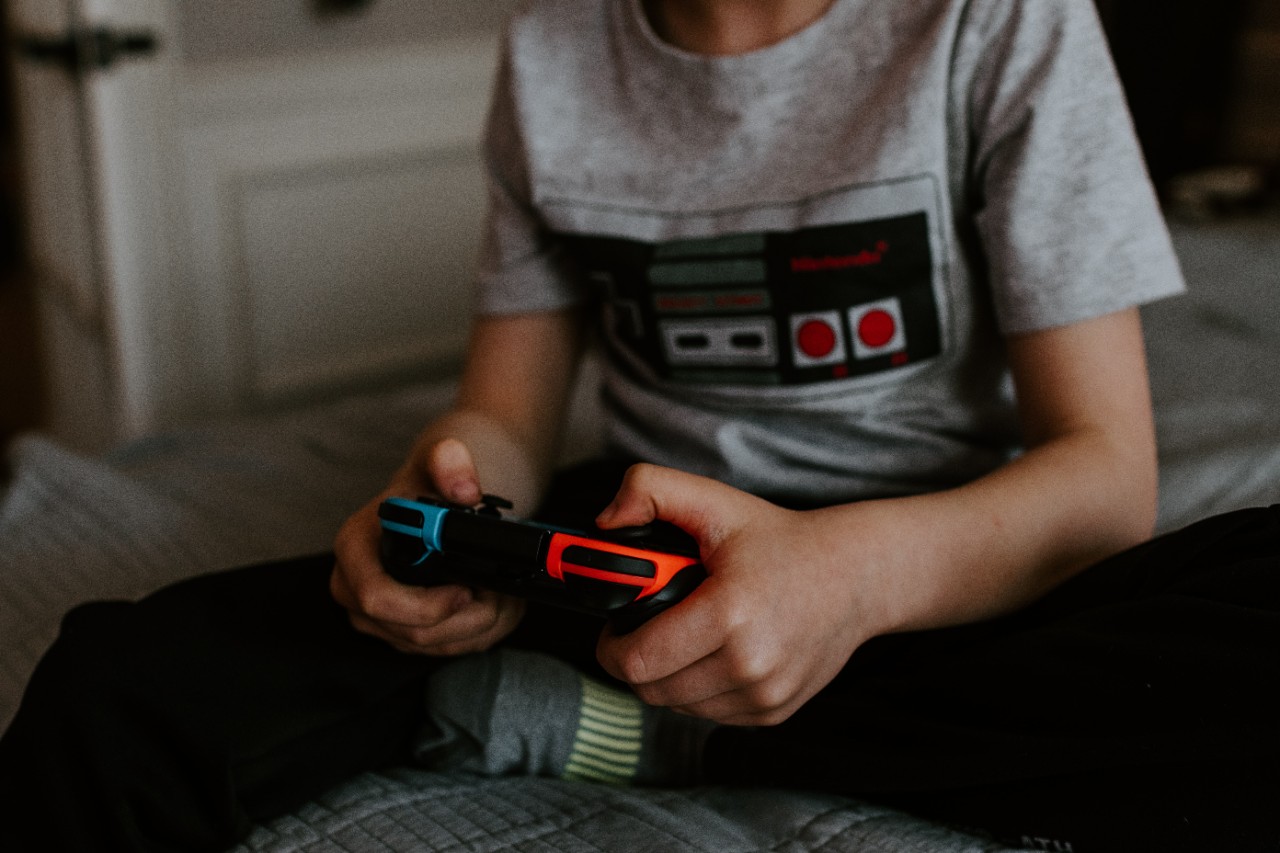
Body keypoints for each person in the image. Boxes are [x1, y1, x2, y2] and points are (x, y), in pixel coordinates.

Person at [2, 0, 1277, 850]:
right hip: (627, 556)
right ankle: (684, 700)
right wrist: (445, 503)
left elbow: (1104, 482)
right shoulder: (556, 45)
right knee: (115, 678)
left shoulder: (1002, 24)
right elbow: (501, 413)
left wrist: (843, 577)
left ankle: (661, 725)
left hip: (931, 572)